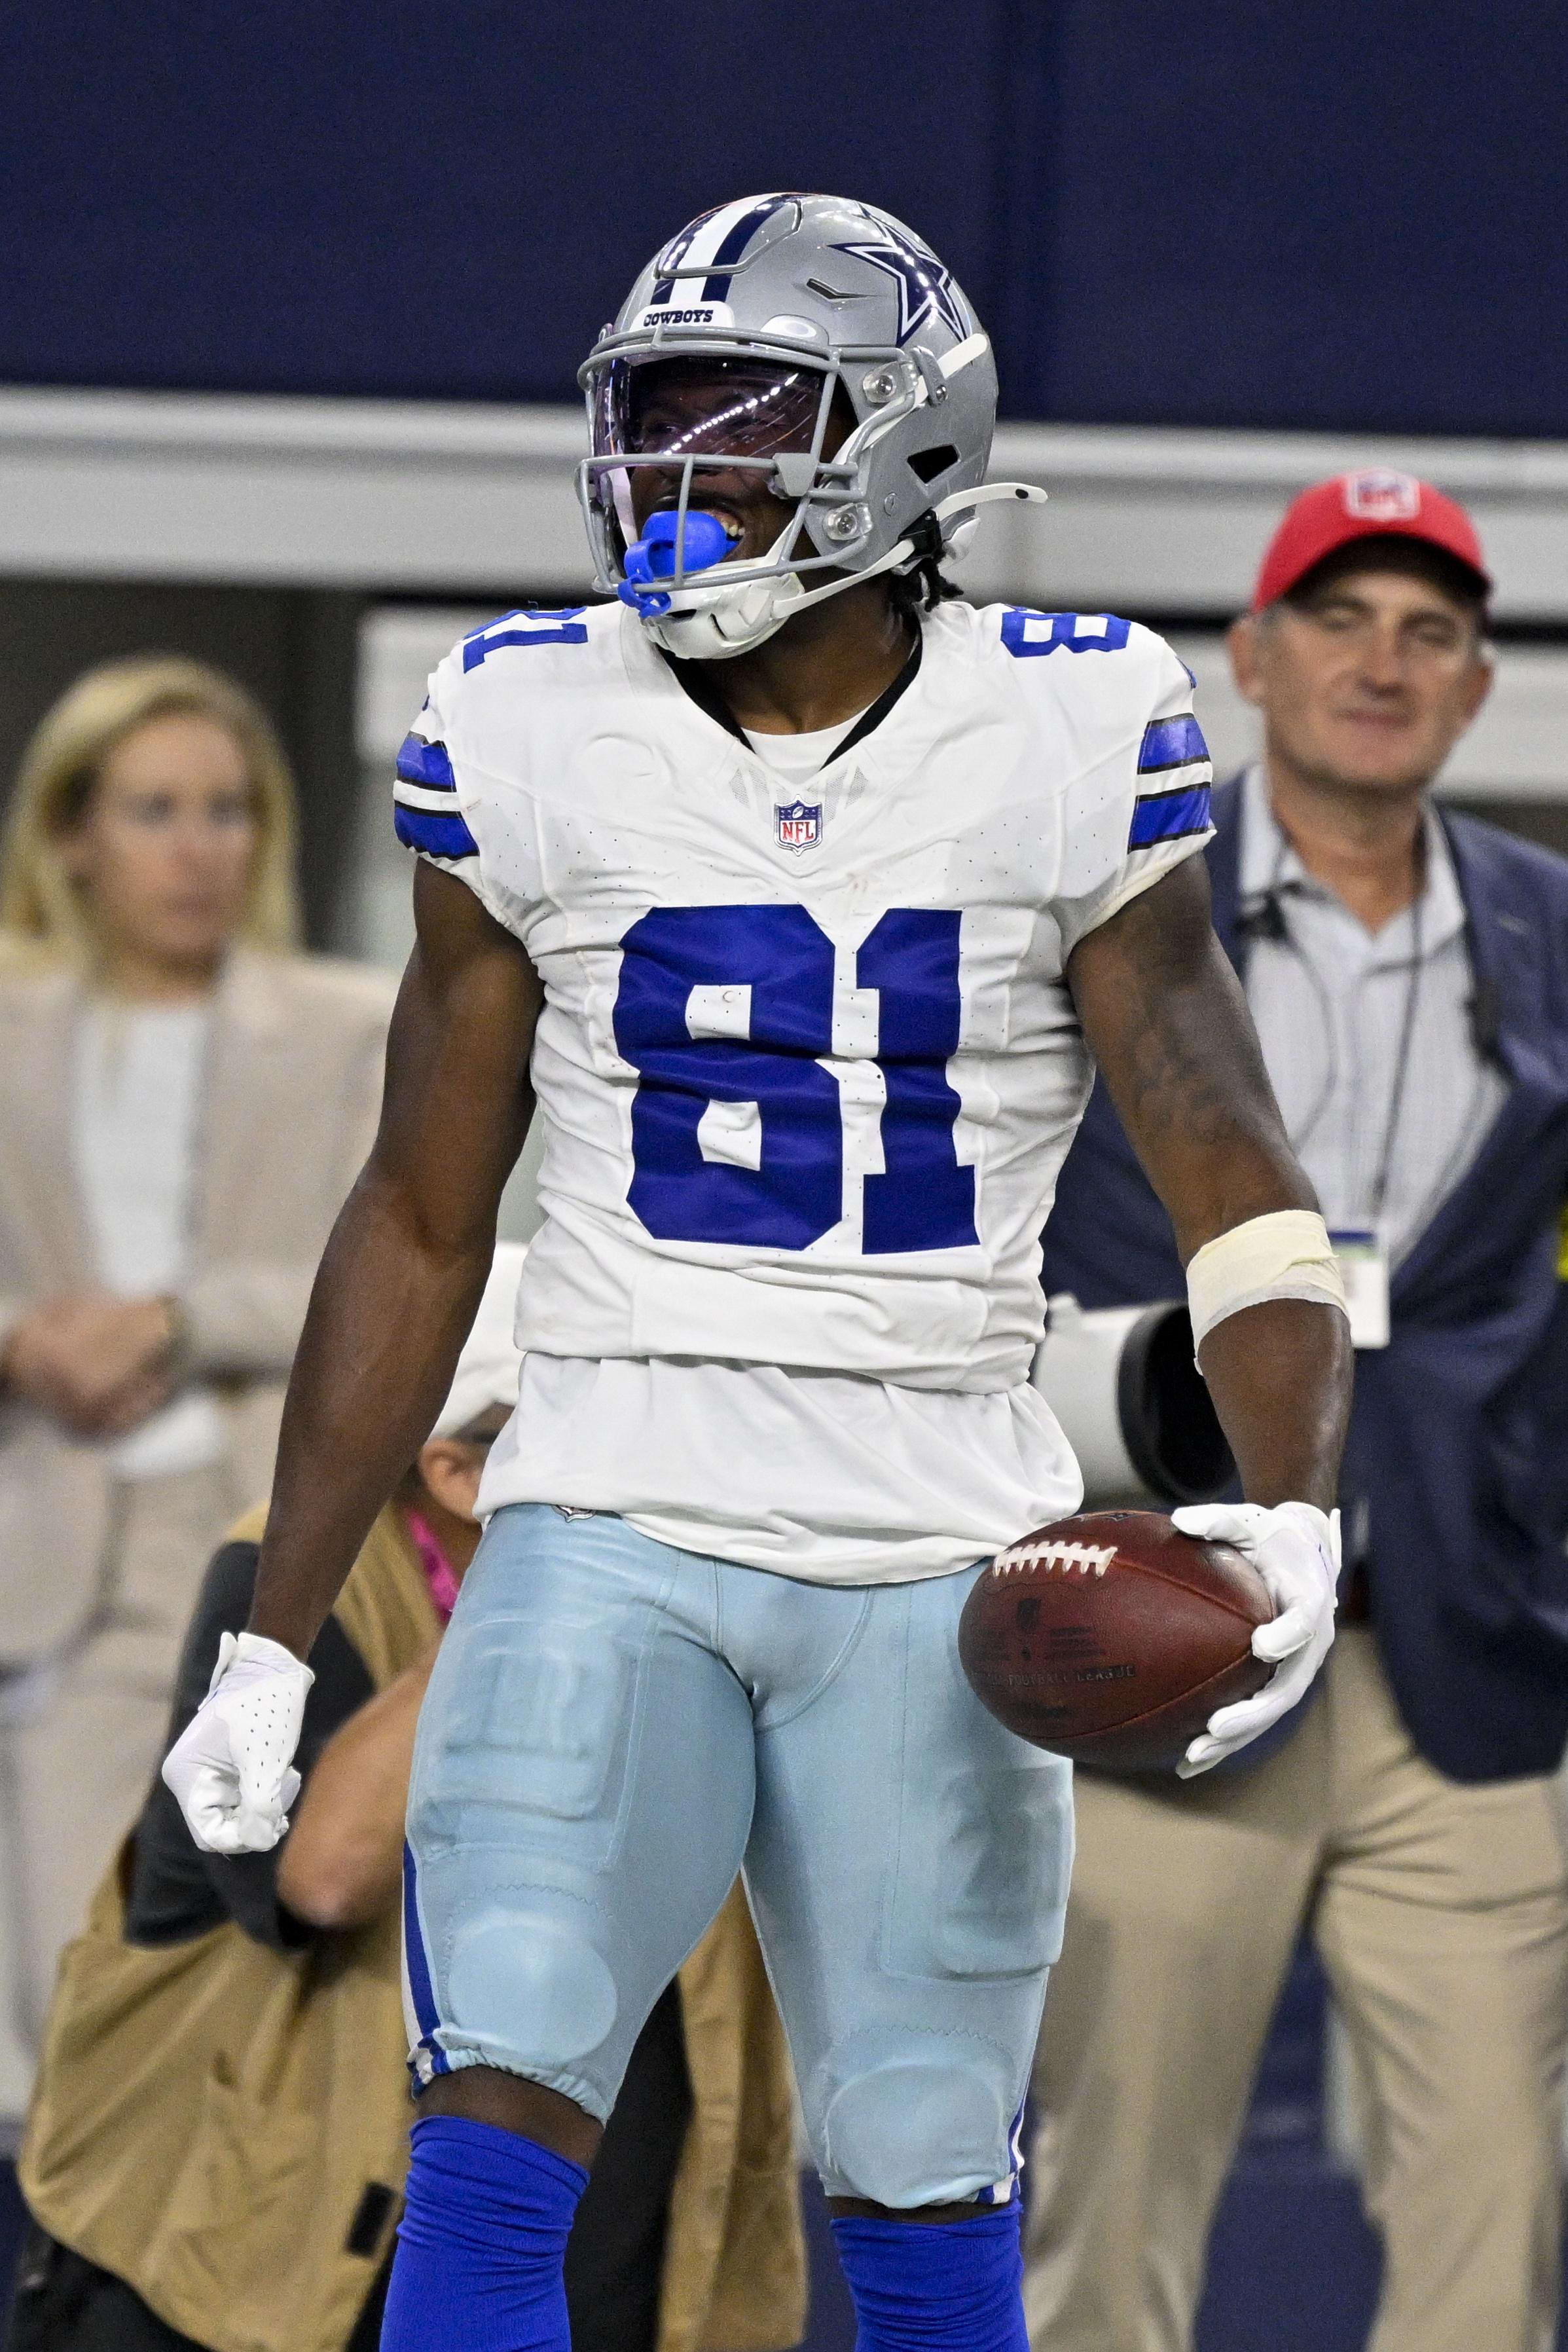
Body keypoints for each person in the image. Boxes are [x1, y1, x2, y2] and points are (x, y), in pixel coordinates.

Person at [162, 193, 1354, 2352]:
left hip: (931, 1544)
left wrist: (1286, 1508)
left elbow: (1219, 1148)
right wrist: (266, 1640)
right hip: (605, 1510)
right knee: (492, 2133)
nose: (670, 483)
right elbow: (422, 1213)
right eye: (649, 426)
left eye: (737, 428)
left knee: (915, 2179)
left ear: (898, 452)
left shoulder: (1061, 723)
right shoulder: (527, 720)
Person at [1023, 473, 1568, 2352]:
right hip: (1178, 1642)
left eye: (1427, 631)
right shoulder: (1111, 922)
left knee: (1493, 2219)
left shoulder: (1545, 927)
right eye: (1337, 619)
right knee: (1114, 2211)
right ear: (1250, 660)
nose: (1380, 662)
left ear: (1476, 688)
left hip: (1469, 1671)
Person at [9, 1247, 805, 2352]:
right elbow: (322, 1876)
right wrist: (521, 1602)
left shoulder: (719, 1593)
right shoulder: (267, 1579)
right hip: (226, 2272)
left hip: (590, 2246)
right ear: (456, 1475)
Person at [0, 657, 396, 2127]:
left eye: (227, 810)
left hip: (269, 1537)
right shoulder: (9, 1023)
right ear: (74, 834)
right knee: (70, 1985)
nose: (196, 845)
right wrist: (23, 1340)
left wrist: (176, 1318)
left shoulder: (353, 1023)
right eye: (156, 808)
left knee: (265, 1973)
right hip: (52, 1540)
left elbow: (409, 1266)